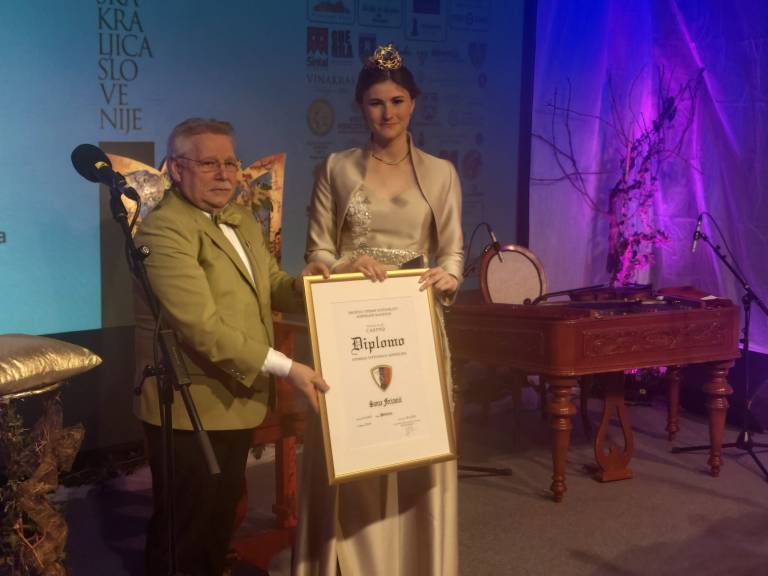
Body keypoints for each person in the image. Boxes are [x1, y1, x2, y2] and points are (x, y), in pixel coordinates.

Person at [133, 117, 329, 576]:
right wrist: (287, 367)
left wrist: (318, 284)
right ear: (176, 169)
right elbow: (201, 327)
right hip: (190, 404)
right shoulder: (164, 231)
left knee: (218, 520)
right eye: (209, 163)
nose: (224, 174)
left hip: (235, 398)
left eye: (230, 163)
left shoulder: (240, 218)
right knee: (183, 530)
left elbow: (272, 286)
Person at [294, 44, 463, 576]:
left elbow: (452, 250)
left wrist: (450, 275)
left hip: (416, 322)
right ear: (360, 106)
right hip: (350, 323)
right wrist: (346, 262)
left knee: (415, 435)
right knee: (352, 437)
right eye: (375, 102)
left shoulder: (441, 172)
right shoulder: (336, 167)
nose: (387, 113)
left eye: (397, 101)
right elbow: (317, 251)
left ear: (414, 103)